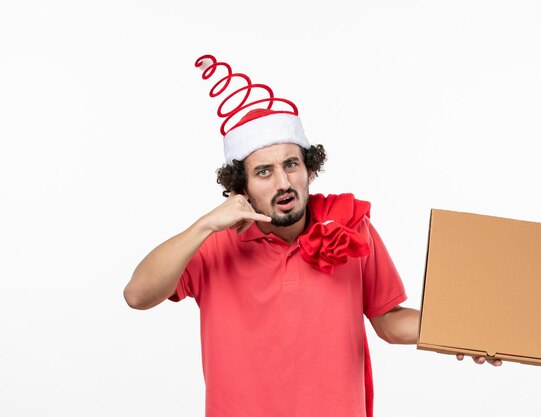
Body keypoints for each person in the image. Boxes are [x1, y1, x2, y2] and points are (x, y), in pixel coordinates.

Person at [124, 55, 500, 417]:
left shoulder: (351, 226)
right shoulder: (214, 243)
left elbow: (389, 321)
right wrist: (205, 225)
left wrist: (463, 331)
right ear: (242, 186)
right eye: (264, 172)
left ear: (310, 170)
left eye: (291, 165)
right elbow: (138, 295)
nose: (284, 182)